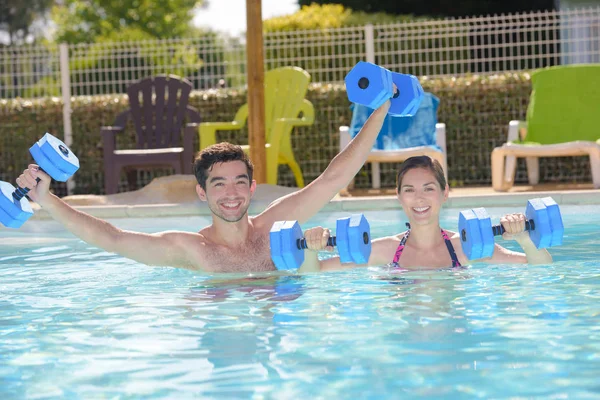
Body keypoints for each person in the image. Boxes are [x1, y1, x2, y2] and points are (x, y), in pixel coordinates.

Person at [16, 100, 394, 273]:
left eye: (239, 183)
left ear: (253, 187)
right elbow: (112, 238)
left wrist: (381, 109)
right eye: (219, 184)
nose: (230, 193)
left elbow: (333, 178)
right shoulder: (190, 248)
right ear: (202, 192)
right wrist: (47, 199)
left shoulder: (274, 225)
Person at [301, 155, 553, 272]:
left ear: (445, 193)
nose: (419, 198)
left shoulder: (467, 247)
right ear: (399, 197)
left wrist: (524, 239)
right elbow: (315, 273)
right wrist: (311, 249)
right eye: (409, 190)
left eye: (428, 189)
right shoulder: (384, 250)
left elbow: (541, 268)